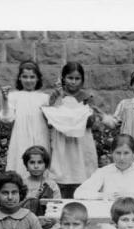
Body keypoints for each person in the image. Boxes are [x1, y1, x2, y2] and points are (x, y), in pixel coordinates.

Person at [41, 62, 99, 198]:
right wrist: (59, 97)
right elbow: (49, 118)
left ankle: (82, 195)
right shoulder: (57, 95)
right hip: (62, 140)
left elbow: (91, 122)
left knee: (82, 169)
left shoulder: (86, 97)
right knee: (63, 170)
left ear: (82, 80)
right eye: (70, 78)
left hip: (81, 140)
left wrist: (86, 116)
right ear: (63, 79)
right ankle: (62, 195)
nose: (73, 82)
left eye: (77, 79)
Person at [74, 134, 134, 201]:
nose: (122, 158)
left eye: (126, 153)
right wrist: (104, 195)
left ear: (133, 154)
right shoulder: (104, 172)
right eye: (118, 153)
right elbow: (79, 193)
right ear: (112, 153)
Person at [0, 60, 50, 178]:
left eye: (32, 77)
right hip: (21, 138)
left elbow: (50, 121)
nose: (28, 80)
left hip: (40, 137)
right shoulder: (14, 96)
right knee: (20, 166)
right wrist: (5, 100)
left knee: (40, 162)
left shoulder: (44, 98)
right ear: (19, 78)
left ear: (38, 78)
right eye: (25, 77)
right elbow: (7, 118)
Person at [20, 145, 62, 229]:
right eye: (32, 162)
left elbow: (58, 208)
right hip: (25, 223)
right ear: (26, 165)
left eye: (40, 162)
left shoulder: (51, 185)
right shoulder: (21, 184)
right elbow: (16, 207)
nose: (36, 166)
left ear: (46, 165)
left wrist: (50, 218)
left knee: (62, 228)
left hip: (46, 224)